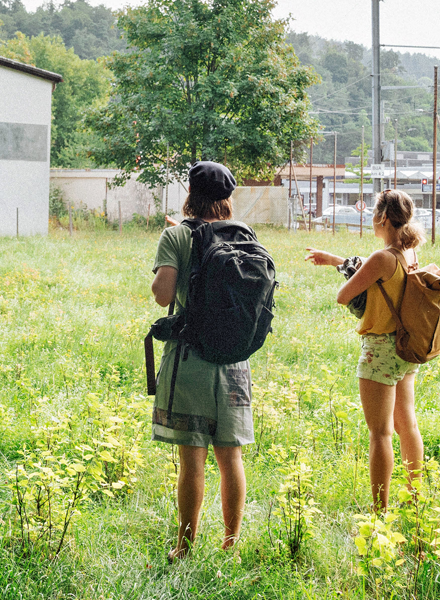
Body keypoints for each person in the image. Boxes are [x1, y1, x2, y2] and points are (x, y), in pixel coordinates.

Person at [305, 190, 440, 510]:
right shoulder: (409, 254)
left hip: (379, 351)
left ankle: (379, 511)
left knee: (380, 434)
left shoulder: (382, 258)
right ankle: (414, 496)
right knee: (406, 425)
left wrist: (358, 282)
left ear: (382, 218)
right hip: (405, 347)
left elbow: (344, 295)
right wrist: (333, 259)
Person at [149, 161, 256, 558]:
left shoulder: (176, 235)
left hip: (190, 359)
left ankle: (185, 546)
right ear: (227, 199)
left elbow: (163, 295)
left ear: (190, 194)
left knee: (191, 458)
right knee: (231, 457)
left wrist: (172, 239)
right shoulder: (243, 235)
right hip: (234, 361)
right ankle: (231, 543)